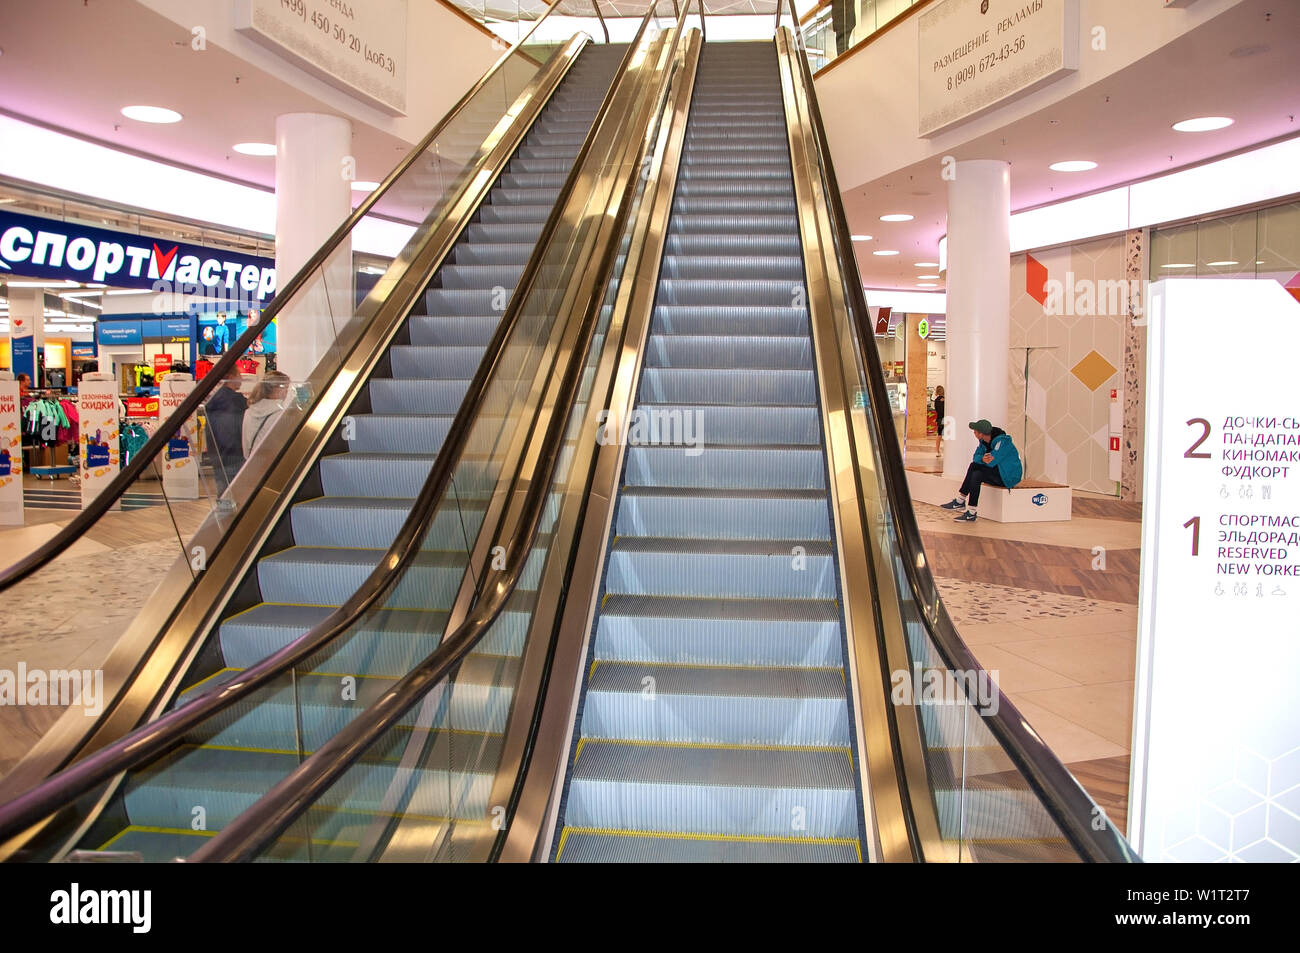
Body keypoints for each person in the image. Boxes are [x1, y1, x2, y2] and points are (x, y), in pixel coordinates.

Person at [940, 418, 1023, 522]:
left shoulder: (1002, 442)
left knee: (975, 470)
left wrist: (982, 459)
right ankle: (969, 510)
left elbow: (992, 461)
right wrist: (983, 459)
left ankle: (962, 503)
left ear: (981, 434)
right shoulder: (983, 442)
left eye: (975, 431)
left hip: (1008, 477)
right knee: (975, 470)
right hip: (997, 471)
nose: (974, 433)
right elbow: (976, 457)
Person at [203, 364, 247, 497]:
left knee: (224, 496)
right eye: (239, 375)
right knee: (238, 496)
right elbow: (230, 431)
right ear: (230, 377)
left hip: (218, 457)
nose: (241, 379)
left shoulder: (214, 400)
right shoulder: (235, 402)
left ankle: (224, 517)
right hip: (235, 456)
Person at [241, 371, 290, 457]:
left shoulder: (249, 411)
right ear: (278, 389)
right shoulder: (281, 414)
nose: (287, 392)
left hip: (251, 463)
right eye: (286, 388)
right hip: (271, 464)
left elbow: (245, 446)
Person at [933, 385, 945, 455]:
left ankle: (937, 451)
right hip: (945, 419)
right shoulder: (945, 399)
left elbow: (937, 410)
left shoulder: (936, 400)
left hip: (939, 419)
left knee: (939, 435)